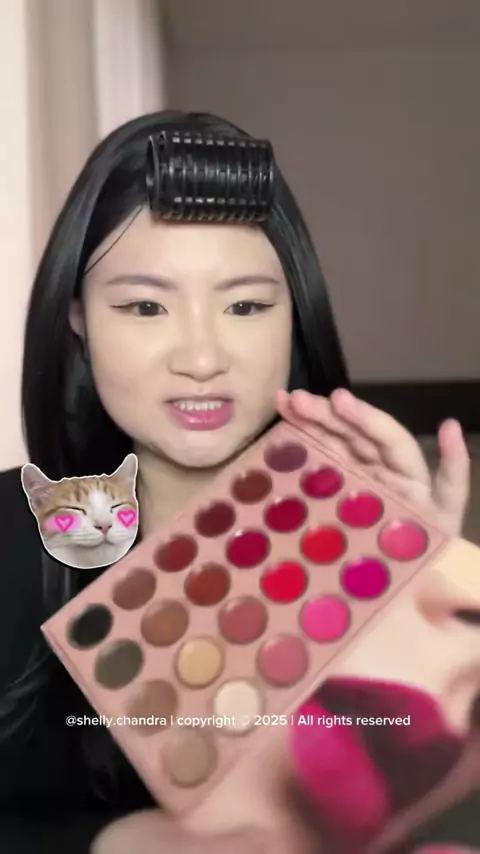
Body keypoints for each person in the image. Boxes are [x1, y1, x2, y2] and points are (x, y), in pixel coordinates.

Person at [0, 110, 475, 854]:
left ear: (295, 315)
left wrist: (413, 595)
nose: (201, 357)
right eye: (145, 306)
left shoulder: (367, 541)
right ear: (79, 320)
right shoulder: (9, 538)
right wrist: (118, 843)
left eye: (246, 305)